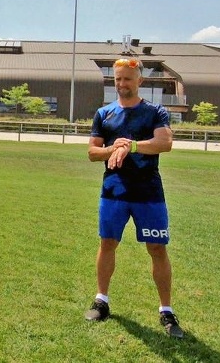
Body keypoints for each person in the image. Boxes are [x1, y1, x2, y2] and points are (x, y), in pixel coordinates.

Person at [83, 57, 184, 339]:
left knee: (157, 249)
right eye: (117, 78)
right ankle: (101, 300)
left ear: (139, 81)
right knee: (107, 243)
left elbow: (165, 143)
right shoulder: (104, 114)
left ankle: (166, 309)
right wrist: (114, 148)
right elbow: (93, 152)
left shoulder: (155, 112)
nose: (121, 84)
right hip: (114, 191)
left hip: (148, 193)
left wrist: (134, 147)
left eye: (127, 78)